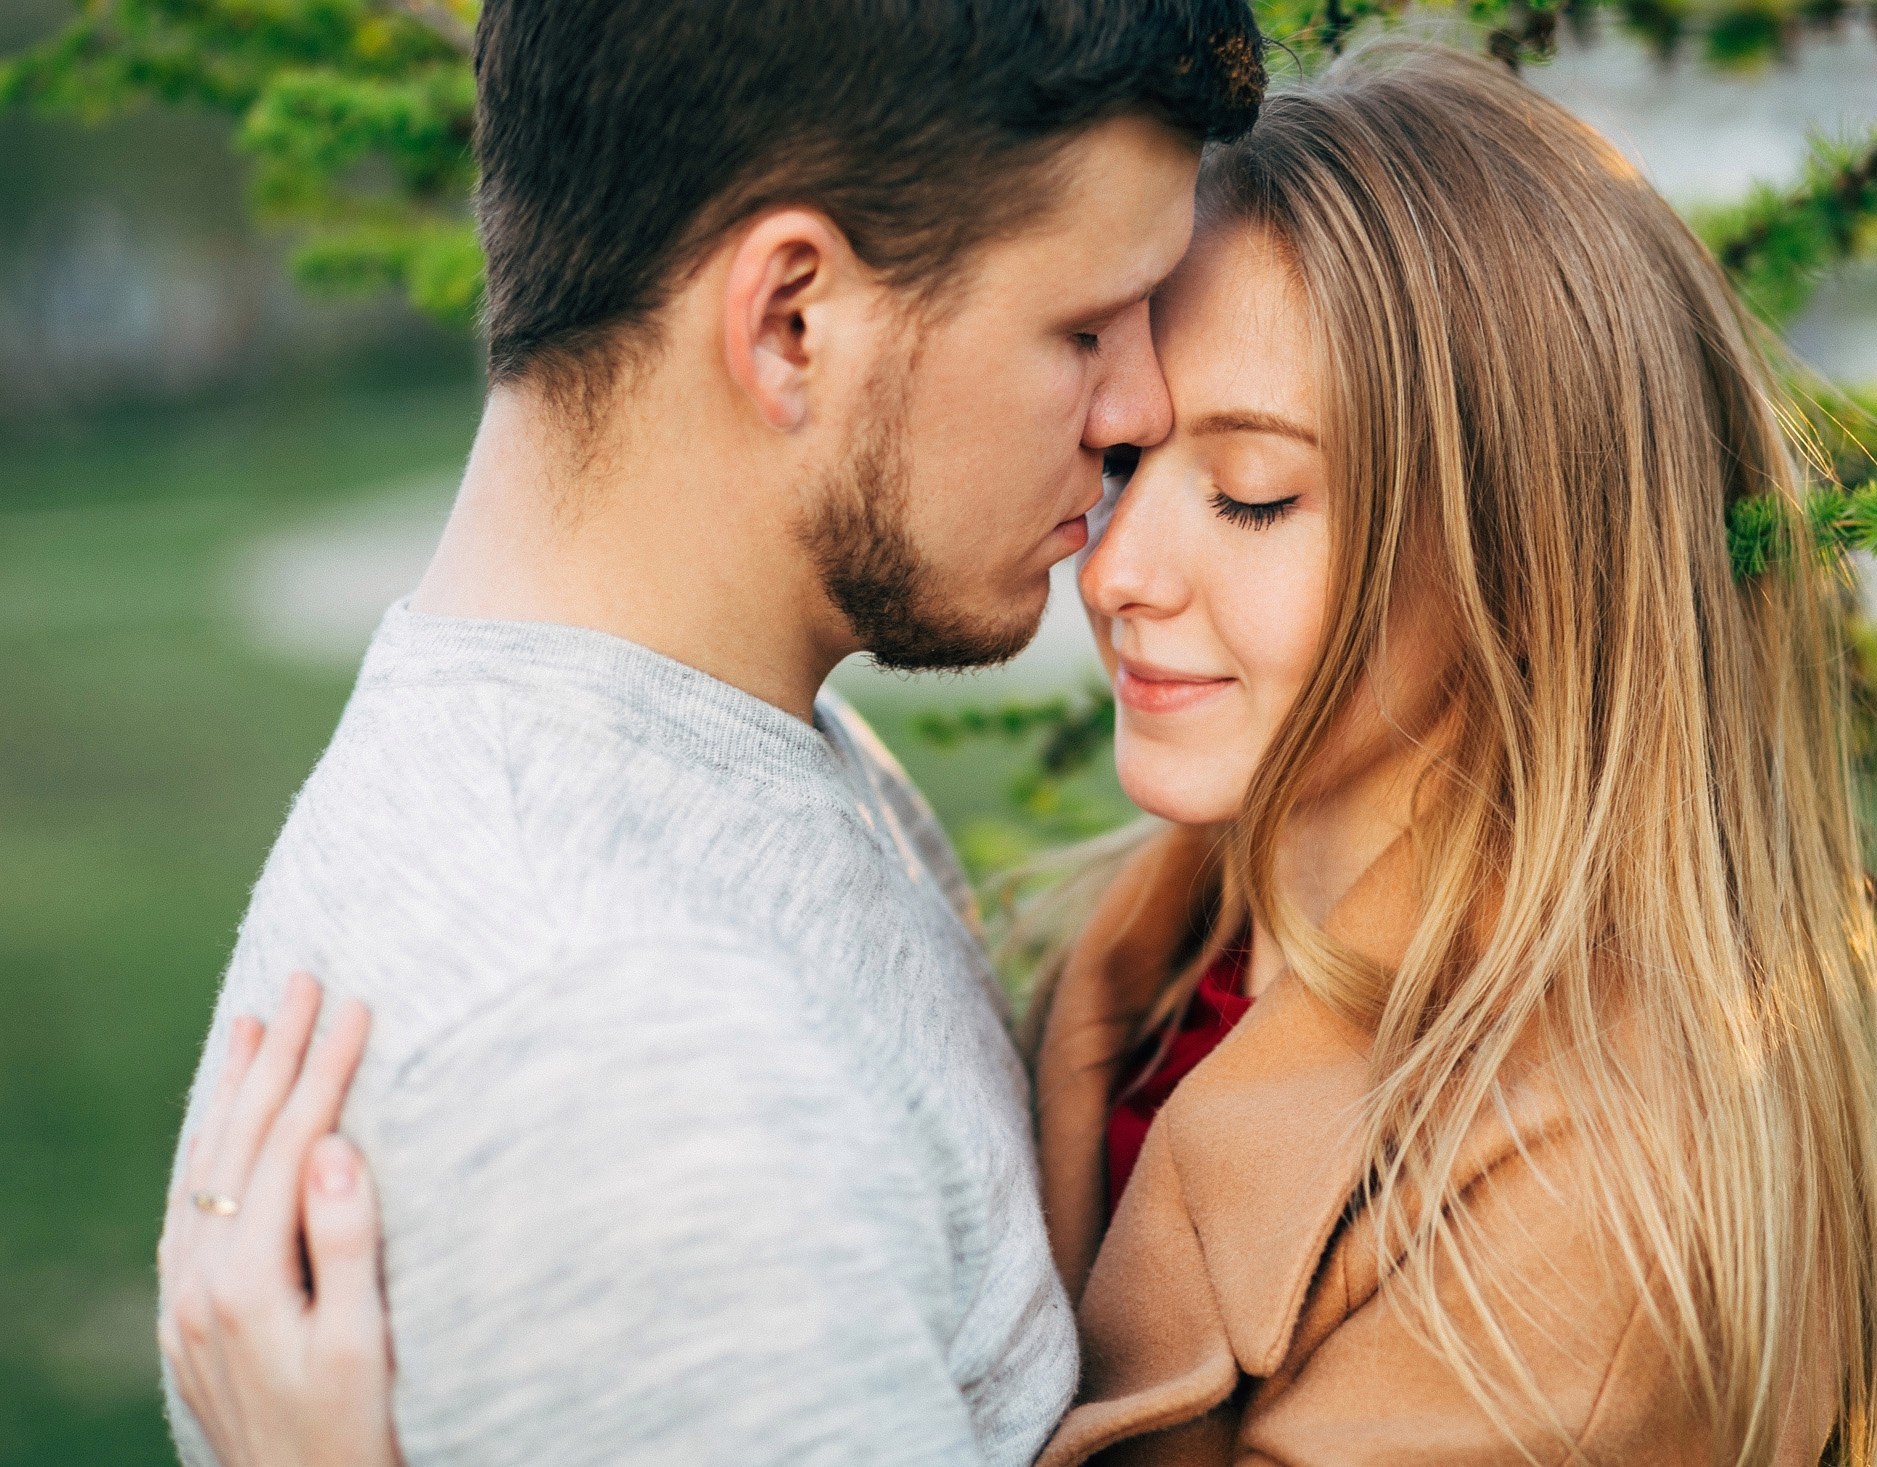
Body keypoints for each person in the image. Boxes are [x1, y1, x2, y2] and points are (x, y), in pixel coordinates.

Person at [162, 41, 1877, 1467]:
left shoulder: (1574, 1198)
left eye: (1248, 488)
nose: (1119, 546)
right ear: (787, 321)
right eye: (1095, 355)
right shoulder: (671, 1045)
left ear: (1529, 557)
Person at [152, 2, 1264, 1464]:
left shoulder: (734, 755)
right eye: (1081, 329)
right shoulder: (632, 1071)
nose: (1139, 407)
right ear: (791, 319)